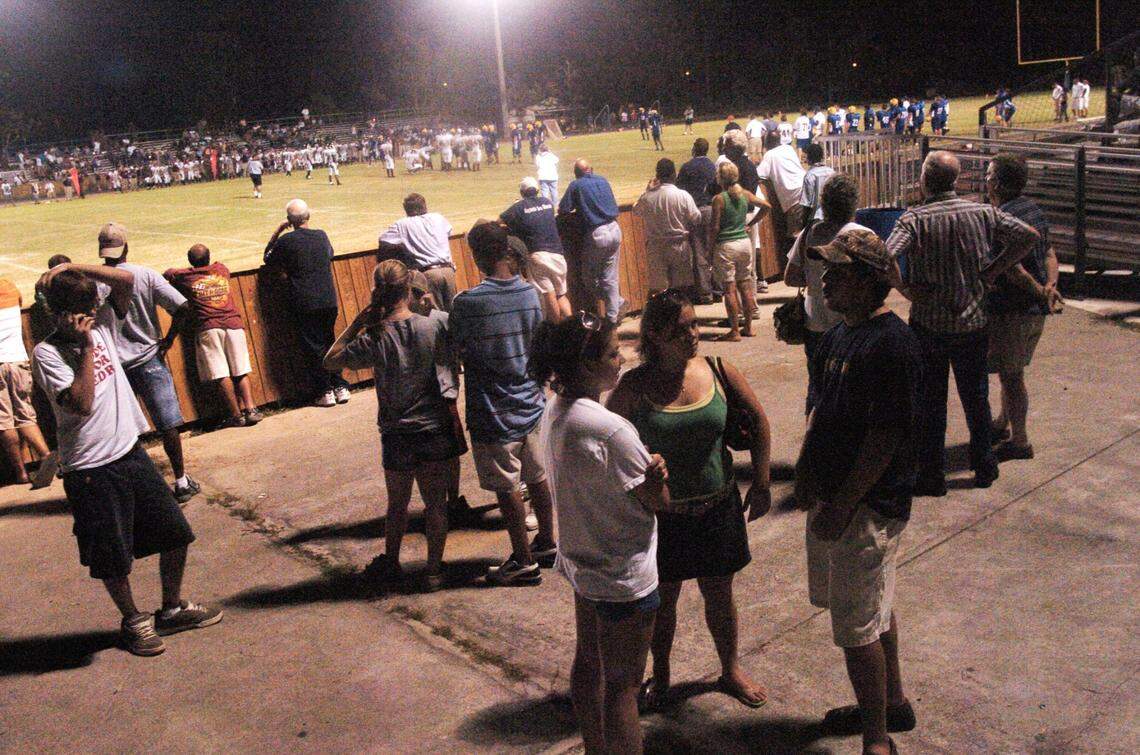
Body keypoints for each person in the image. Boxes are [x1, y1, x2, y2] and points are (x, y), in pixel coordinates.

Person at [32, 263, 221, 657]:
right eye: (80, 309)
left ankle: (170, 608)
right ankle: (133, 620)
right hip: (91, 469)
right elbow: (82, 404)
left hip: (130, 454)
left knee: (176, 533)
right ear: (61, 314)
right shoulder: (47, 354)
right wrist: (84, 348)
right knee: (113, 556)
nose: (89, 313)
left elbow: (129, 281)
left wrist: (71, 267)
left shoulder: (101, 326)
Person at [608, 288, 772, 713]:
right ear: (655, 336)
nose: (693, 335)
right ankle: (660, 676)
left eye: (694, 325)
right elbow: (607, 445)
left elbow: (758, 420)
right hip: (664, 518)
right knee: (662, 605)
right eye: (681, 329)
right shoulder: (633, 387)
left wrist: (763, 480)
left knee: (720, 595)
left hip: (718, 507)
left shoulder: (718, 369)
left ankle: (730, 668)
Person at [794, 228, 923, 755]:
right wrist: (806, 472)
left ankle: (876, 739)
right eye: (826, 268)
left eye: (839, 271)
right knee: (872, 610)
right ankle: (891, 701)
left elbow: (885, 437)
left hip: (865, 506)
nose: (826, 278)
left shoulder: (891, 343)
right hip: (837, 499)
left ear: (872, 283)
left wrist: (842, 506)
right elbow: (824, 413)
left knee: (856, 631)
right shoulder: (841, 334)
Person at [530, 312, 670, 754]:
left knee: (589, 663)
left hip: (582, 563)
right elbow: (659, 501)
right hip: (622, 574)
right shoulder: (610, 429)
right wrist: (658, 478)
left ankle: (595, 747)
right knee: (624, 685)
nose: (624, 358)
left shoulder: (557, 408)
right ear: (588, 365)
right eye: (614, 352)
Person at [886, 152, 1039, 494]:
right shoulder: (983, 212)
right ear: (954, 181)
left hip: (930, 325)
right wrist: (995, 269)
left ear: (925, 180)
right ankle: (984, 466)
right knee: (976, 398)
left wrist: (904, 288)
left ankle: (932, 476)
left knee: (931, 402)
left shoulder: (914, 219)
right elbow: (1028, 236)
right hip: (973, 322)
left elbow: (884, 256)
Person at [324, 260, 465, 593]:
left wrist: (359, 320)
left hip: (396, 432)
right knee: (435, 505)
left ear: (379, 293)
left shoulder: (375, 334)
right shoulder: (432, 327)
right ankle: (433, 571)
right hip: (432, 427)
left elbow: (331, 359)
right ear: (408, 289)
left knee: (397, 505)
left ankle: (393, 563)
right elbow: (453, 359)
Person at [449, 222, 557, 585]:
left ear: (477, 255)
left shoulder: (466, 303)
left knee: (507, 485)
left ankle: (523, 561)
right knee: (538, 475)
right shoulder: (530, 294)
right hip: (531, 401)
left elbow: (454, 350)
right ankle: (546, 543)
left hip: (493, 409)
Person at [96, 223, 199, 503]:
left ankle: (137, 489)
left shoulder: (95, 283)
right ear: (126, 247)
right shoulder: (145, 275)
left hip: (115, 366)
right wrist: (169, 340)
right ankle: (180, 480)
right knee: (168, 424)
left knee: (125, 430)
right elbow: (183, 307)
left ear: (102, 252)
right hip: (149, 357)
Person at [984, 153, 1062, 461]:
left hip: (1014, 310)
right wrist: (1051, 286)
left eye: (989, 176)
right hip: (1033, 312)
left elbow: (1012, 268)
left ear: (999, 184)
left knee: (1012, 376)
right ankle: (1003, 422)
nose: (986, 181)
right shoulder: (1034, 210)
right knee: (1009, 371)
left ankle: (1020, 441)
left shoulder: (1003, 219)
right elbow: (1049, 252)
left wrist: (1039, 292)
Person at [785, 174, 871, 414]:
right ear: (853, 203)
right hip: (854, 324)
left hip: (817, 323)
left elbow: (790, 276)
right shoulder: (863, 234)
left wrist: (814, 279)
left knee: (818, 387)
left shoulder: (810, 233)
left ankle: (815, 441)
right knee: (855, 389)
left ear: (823, 203)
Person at [163, 245, 263, 428]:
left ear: (191, 261)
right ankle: (251, 409)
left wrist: (190, 271)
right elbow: (220, 266)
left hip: (208, 327)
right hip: (234, 324)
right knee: (240, 369)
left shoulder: (186, 277)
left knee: (220, 373)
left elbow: (168, 273)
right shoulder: (220, 270)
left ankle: (236, 415)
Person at [263, 199, 351, 407]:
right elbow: (330, 254)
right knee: (330, 343)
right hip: (328, 299)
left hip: (304, 301)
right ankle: (340, 386)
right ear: (308, 216)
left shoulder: (286, 241)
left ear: (289, 220)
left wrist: (277, 232)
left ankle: (325, 390)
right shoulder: (321, 235)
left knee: (314, 348)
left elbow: (268, 257)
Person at [0, 276, 53, 486]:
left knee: (4, 421)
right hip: (17, 359)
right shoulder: (10, 287)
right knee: (25, 414)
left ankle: (20, 472)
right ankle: (46, 456)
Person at [708, 161, 770, 341]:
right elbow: (767, 206)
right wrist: (750, 224)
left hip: (726, 245)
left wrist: (709, 250)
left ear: (720, 178)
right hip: (744, 243)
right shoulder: (745, 194)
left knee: (729, 289)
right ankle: (748, 327)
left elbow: (715, 228)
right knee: (746, 286)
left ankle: (734, 330)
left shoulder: (719, 199)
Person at [558, 159, 624, 323]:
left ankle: (616, 307)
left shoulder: (576, 185)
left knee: (588, 278)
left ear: (576, 173)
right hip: (615, 229)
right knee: (610, 278)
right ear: (591, 170)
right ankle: (613, 315)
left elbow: (563, 209)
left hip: (597, 234)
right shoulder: (602, 180)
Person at [500, 177, 572, 322]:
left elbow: (499, 221)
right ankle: (575, 327)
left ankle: (556, 331)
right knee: (561, 295)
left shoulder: (519, 207)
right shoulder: (547, 203)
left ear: (522, 192)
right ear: (537, 190)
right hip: (558, 255)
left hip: (538, 256)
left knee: (548, 295)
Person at [378, 193, 457, 313]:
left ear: (406, 209)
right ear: (424, 205)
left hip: (428, 274)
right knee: (454, 313)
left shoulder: (402, 224)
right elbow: (448, 231)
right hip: (448, 271)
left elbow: (384, 240)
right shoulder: (438, 217)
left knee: (434, 314)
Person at [633, 159, 702, 294]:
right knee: (681, 289)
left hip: (656, 245)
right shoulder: (683, 195)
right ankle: (681, 314)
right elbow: (697, 218)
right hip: (679, 244)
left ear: (657, 176)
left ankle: (660, 315)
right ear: (674, 175)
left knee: (657, 289)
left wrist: (647, 190)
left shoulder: (648, 197)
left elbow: (636, 210)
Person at [675, 138, 720, 302]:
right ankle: (719, 289)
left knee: (699, 253)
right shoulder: (713, 166)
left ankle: (705, 293)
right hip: (712, 209)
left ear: (694, 149)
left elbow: (678, 188)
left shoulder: (687, 167)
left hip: (695, 210)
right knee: (714, 250)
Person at [756, 136, 807, 244]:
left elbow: (759, 174)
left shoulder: (770, 155)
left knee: (795, 236)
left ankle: (798, 260)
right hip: (807, 188)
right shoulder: (788, 148)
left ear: (766, 145)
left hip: (794, 197)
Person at [799, 143, 836, 225]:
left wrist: (804, 225)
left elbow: (806, 204)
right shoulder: (832, 172)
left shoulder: (810, 175)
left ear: (809, 158)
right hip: (832, 216)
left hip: (816, 219)